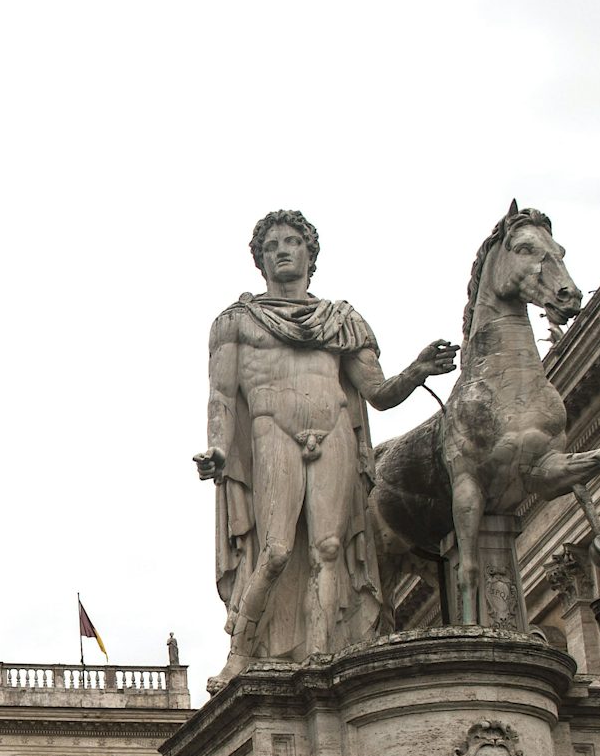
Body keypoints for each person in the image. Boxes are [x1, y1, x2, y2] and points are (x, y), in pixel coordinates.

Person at [194, 209, 456, 690]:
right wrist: (216, 448)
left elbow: (377, 393)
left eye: (292, 241)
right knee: (274, 550)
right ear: (260, 260)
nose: (282, 251)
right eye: (272, 245)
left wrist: (418, 369)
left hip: (333, 428)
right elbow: (222, 396)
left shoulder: (342, 321)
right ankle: (241, 655)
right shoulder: (235, 323)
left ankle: (320, 659)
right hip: (272, 431)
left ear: (310, 255)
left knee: (329, 549)